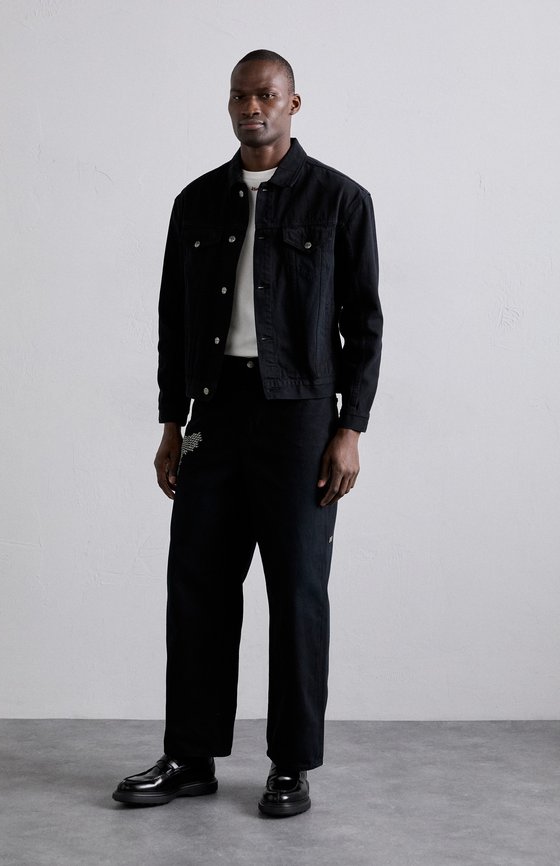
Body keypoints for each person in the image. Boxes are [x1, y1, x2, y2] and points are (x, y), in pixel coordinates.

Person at [112, 49, 382, 818]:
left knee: (296, 591)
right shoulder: (197, 202)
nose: (250, 107)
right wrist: (172, 422)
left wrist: (350, 428)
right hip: (214, 411)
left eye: (265, 95)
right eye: (239, 95)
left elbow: (364, 324)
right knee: (196, 584)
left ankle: (291, 765)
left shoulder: (340, 200)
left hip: (300, 419)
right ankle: (190, 757)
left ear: (294, 103)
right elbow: (173, 320)